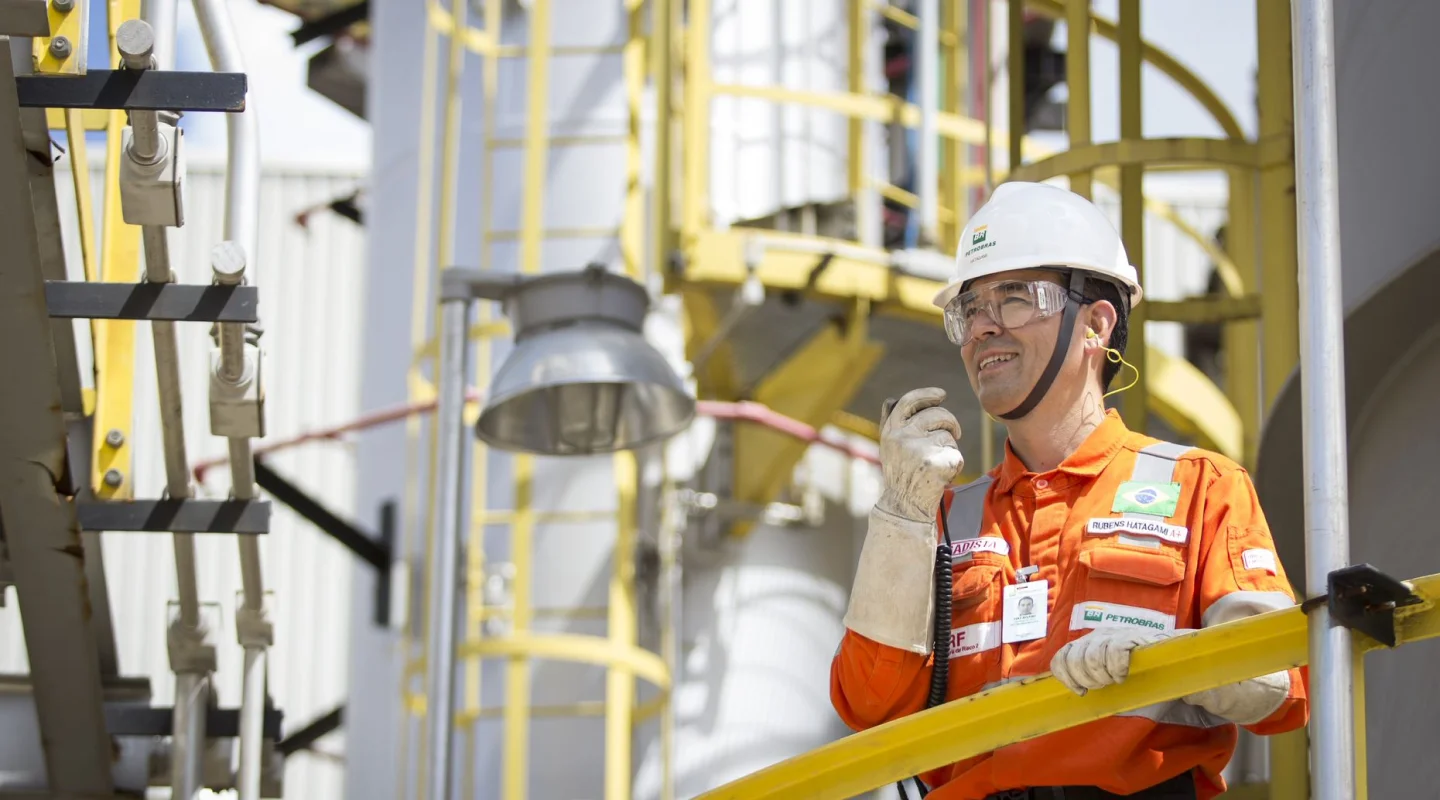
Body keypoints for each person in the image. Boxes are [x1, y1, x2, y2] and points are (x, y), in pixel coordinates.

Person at [830, 182, 1308, 800]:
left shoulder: (1200, 487)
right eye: (970, 309)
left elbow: (1279, 690)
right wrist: (899, 517)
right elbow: (869, 706)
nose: (983, 328)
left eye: (1015, 298)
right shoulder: (943, 518)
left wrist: (1170, 656)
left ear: (1096, 324)